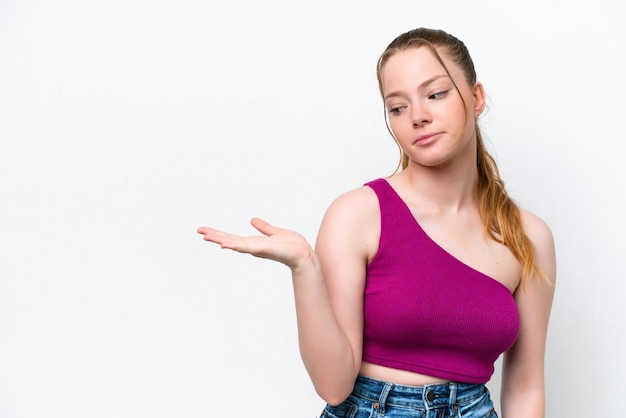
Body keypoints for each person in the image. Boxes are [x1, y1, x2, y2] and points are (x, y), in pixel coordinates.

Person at [197, 27, 556, 418]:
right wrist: (305, 267)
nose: (418, 117)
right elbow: (334, 387)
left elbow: (525, 386)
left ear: (475, 97)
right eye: (397, 107)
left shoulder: (528, 237)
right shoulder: (358, 215)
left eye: (436, 94)